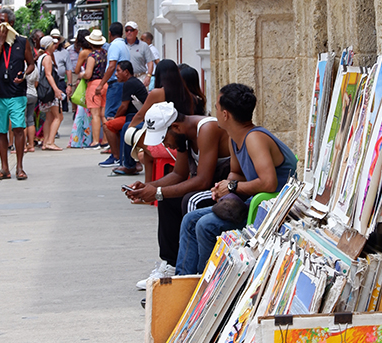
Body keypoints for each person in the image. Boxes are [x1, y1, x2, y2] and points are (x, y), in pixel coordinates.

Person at [175, 83, 297, 275]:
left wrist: (231, 186)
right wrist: (222, 188)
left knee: (205, 226)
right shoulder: (234, 137)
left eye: (216, 107)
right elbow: (237, 174)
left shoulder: (254, 138)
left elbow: (269, 183)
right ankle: (183, 280)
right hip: (251, 202)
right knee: (190, 220)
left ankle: (205, 284)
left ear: (225, 114)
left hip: (270, 210)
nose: (214, 111)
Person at [125, 103, 232, 289]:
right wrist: (148, 187)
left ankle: (190, 272)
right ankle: (171, 263)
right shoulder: (182, 135)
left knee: (189, 202)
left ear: (175, 127)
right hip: (210, 187)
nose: (166, 145)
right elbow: (178, 174)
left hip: (223, 189)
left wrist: (157, 191)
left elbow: (203, 181)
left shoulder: (207, 129)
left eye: (164, 139)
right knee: (166, 200)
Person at [0, 7, 36, 181]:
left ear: (11, 24)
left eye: (3, 21)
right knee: (1, 131)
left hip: (16, 92)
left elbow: (31, 64)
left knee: (18, 128)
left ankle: (20, 167)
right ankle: (4, 168)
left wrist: (24, 74)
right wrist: (0, 43)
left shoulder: (22, 41)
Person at [99, 60, 147, 171]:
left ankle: (117, 157)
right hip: (132, 115)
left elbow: (124, 106)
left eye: (118, 71)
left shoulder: (130, 83)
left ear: (126, 72)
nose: (116, 74)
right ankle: (120, 157)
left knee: (108, 125)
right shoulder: (132, 82)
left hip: (135, 116)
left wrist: (115, 117)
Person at [95, 22, 131, 121]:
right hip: (121, 83)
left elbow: (111, 66)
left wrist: (101, 84)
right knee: (117, 113)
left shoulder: (114, 46)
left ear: (109, 33)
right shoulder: (124, 45)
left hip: (116, 83)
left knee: (110, 114)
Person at [80, 29, 108, 147]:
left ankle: (96, 141)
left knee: (95, 114)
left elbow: (88, 74)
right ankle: (106, 140)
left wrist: (81, 75)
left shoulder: (92, 56)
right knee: (104, 114)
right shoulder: (106, 53)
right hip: (105, 83)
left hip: (94, 85)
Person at [37, 35, 65, 150]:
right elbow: (48, 75)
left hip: (44, 91)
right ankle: (50, 142)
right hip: (50, 92)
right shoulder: (47, 58)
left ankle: (46, 142)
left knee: (48, 117)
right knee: (58, 116)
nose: (55, 46)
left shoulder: (41, 57)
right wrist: (56, 90)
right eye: (53, 44)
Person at [51, 28, 71, 112]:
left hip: (60, 81)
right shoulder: (46, 52)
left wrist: (69, 85)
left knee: (63, 107)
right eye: (53, 38)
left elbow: (69, 69)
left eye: (57, 39)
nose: (56, 41)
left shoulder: (65, 52)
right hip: (49, 83)